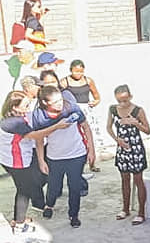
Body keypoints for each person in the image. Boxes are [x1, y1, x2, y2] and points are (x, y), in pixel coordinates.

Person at [0, 90, 65, 233]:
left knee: (28, 186)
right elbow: (36, 135)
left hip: (11, 159)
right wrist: (57, 126)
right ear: (14, 107)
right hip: (17, 161)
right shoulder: (14, 122)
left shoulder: (13, 117)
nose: (28, 108)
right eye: (25, 105)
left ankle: (22, 216)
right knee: (24, 191)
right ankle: (19, 224)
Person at [33, 86, 96, 228]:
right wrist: (41, 160)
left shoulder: (72, 107)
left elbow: (86, 127)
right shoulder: (39, 115)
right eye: (55, 102)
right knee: (54, 186)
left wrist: (91, 150)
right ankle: (49, 205)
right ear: (44, 102)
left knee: (74, 187)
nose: (60, 104)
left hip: (76, 154)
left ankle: (74, 215)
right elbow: (39, 139)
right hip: (55, 157)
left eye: (60, 100)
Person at [107, 84, 149, 224]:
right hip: (122, 149)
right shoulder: (113, 109)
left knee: (138, 180)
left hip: (136, 148)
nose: (122, 103)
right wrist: (117, 140)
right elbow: (108, 127)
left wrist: (135, 123)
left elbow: (148, 130)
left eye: (125, 100)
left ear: (130, 96)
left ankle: (141, 212)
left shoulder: (138, 110)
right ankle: (125, 209)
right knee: (124, 179)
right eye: (119, 100)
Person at [59, 59, 103, 171]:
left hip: (87, 111)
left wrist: (95, 102)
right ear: (71, 70)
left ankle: (92, 163)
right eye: (76, 71)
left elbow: (97, 97)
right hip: (72, 111)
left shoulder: (88, 81)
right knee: (78, 137)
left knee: (90, 137)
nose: (78, 74)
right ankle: (79, 166)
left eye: (81, 72)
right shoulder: (64, 82)